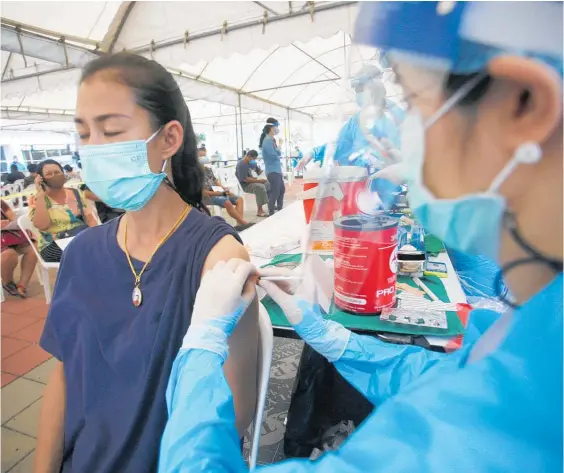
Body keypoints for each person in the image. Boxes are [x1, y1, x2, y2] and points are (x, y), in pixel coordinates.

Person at [157, 2, 563, 472]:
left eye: (413, 103)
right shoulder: (536, 335)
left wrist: (201, 349)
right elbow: (460, 373)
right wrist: (335, 340)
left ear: (523, 103)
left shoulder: (487, 437)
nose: (404, 136)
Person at [33, 52, 258, 473]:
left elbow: (232, 416)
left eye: (112, 130)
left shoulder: (216, 259)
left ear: (169, 139)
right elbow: (64, 378)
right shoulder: (81, 253)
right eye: (84, 134)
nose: (93, 150)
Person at [29, 159, 97, 263]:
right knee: (85, 253)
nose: (54, 176)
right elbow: (43, 225)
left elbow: (89, 218)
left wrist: (98, 237)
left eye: (57, 172)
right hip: (52, 244)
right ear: (40, 179)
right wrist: (41, 194)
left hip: (80, 238)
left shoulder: (76, 193)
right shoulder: (37, 199)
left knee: (102, 247)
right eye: (49, 174)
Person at [199, 147, 248, 226]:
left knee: (239, 199)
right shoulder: (195, 174)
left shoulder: (208, 170)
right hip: (208, 197)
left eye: (205, 155)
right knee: (227, 202)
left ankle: (239, 224)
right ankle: (243, 223)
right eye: (201, 156)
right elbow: (203, 192)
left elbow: (216, 181)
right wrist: (220, 194)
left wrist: (224, 190)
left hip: (219, 192)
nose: (204, 157)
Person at [1, 200, 37, 298]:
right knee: (9, 254)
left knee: (32, 249)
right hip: (4, 243)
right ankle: (7, 282)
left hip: (10, 236)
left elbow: (12, 217)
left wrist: (8, 222)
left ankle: (22, 285)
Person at [259, 123, 285, 215]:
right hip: (272, 170)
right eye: (276, 127)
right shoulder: (267, 141)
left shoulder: (272, 140)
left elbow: (277, 154)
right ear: (271, 128)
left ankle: (280, 210)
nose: (277, 129)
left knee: (281, 190)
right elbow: (273, 155)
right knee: (275, 192)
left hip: (276, 169)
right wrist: (279, 148)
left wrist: (278, 148)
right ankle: (271, 213)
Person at [236, 149, 269, 217]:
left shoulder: (252, 163)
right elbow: (245, 179)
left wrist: (267, 172)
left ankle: (270, 204)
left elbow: (258, 171)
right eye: (253, 158)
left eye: (255, 159)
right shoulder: (241, 165)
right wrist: (259, 181)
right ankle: (259, 211)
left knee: (268, 183)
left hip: (253, 181)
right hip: (245, 185)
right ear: (248, 156)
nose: (253, 160)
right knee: (260, 187)